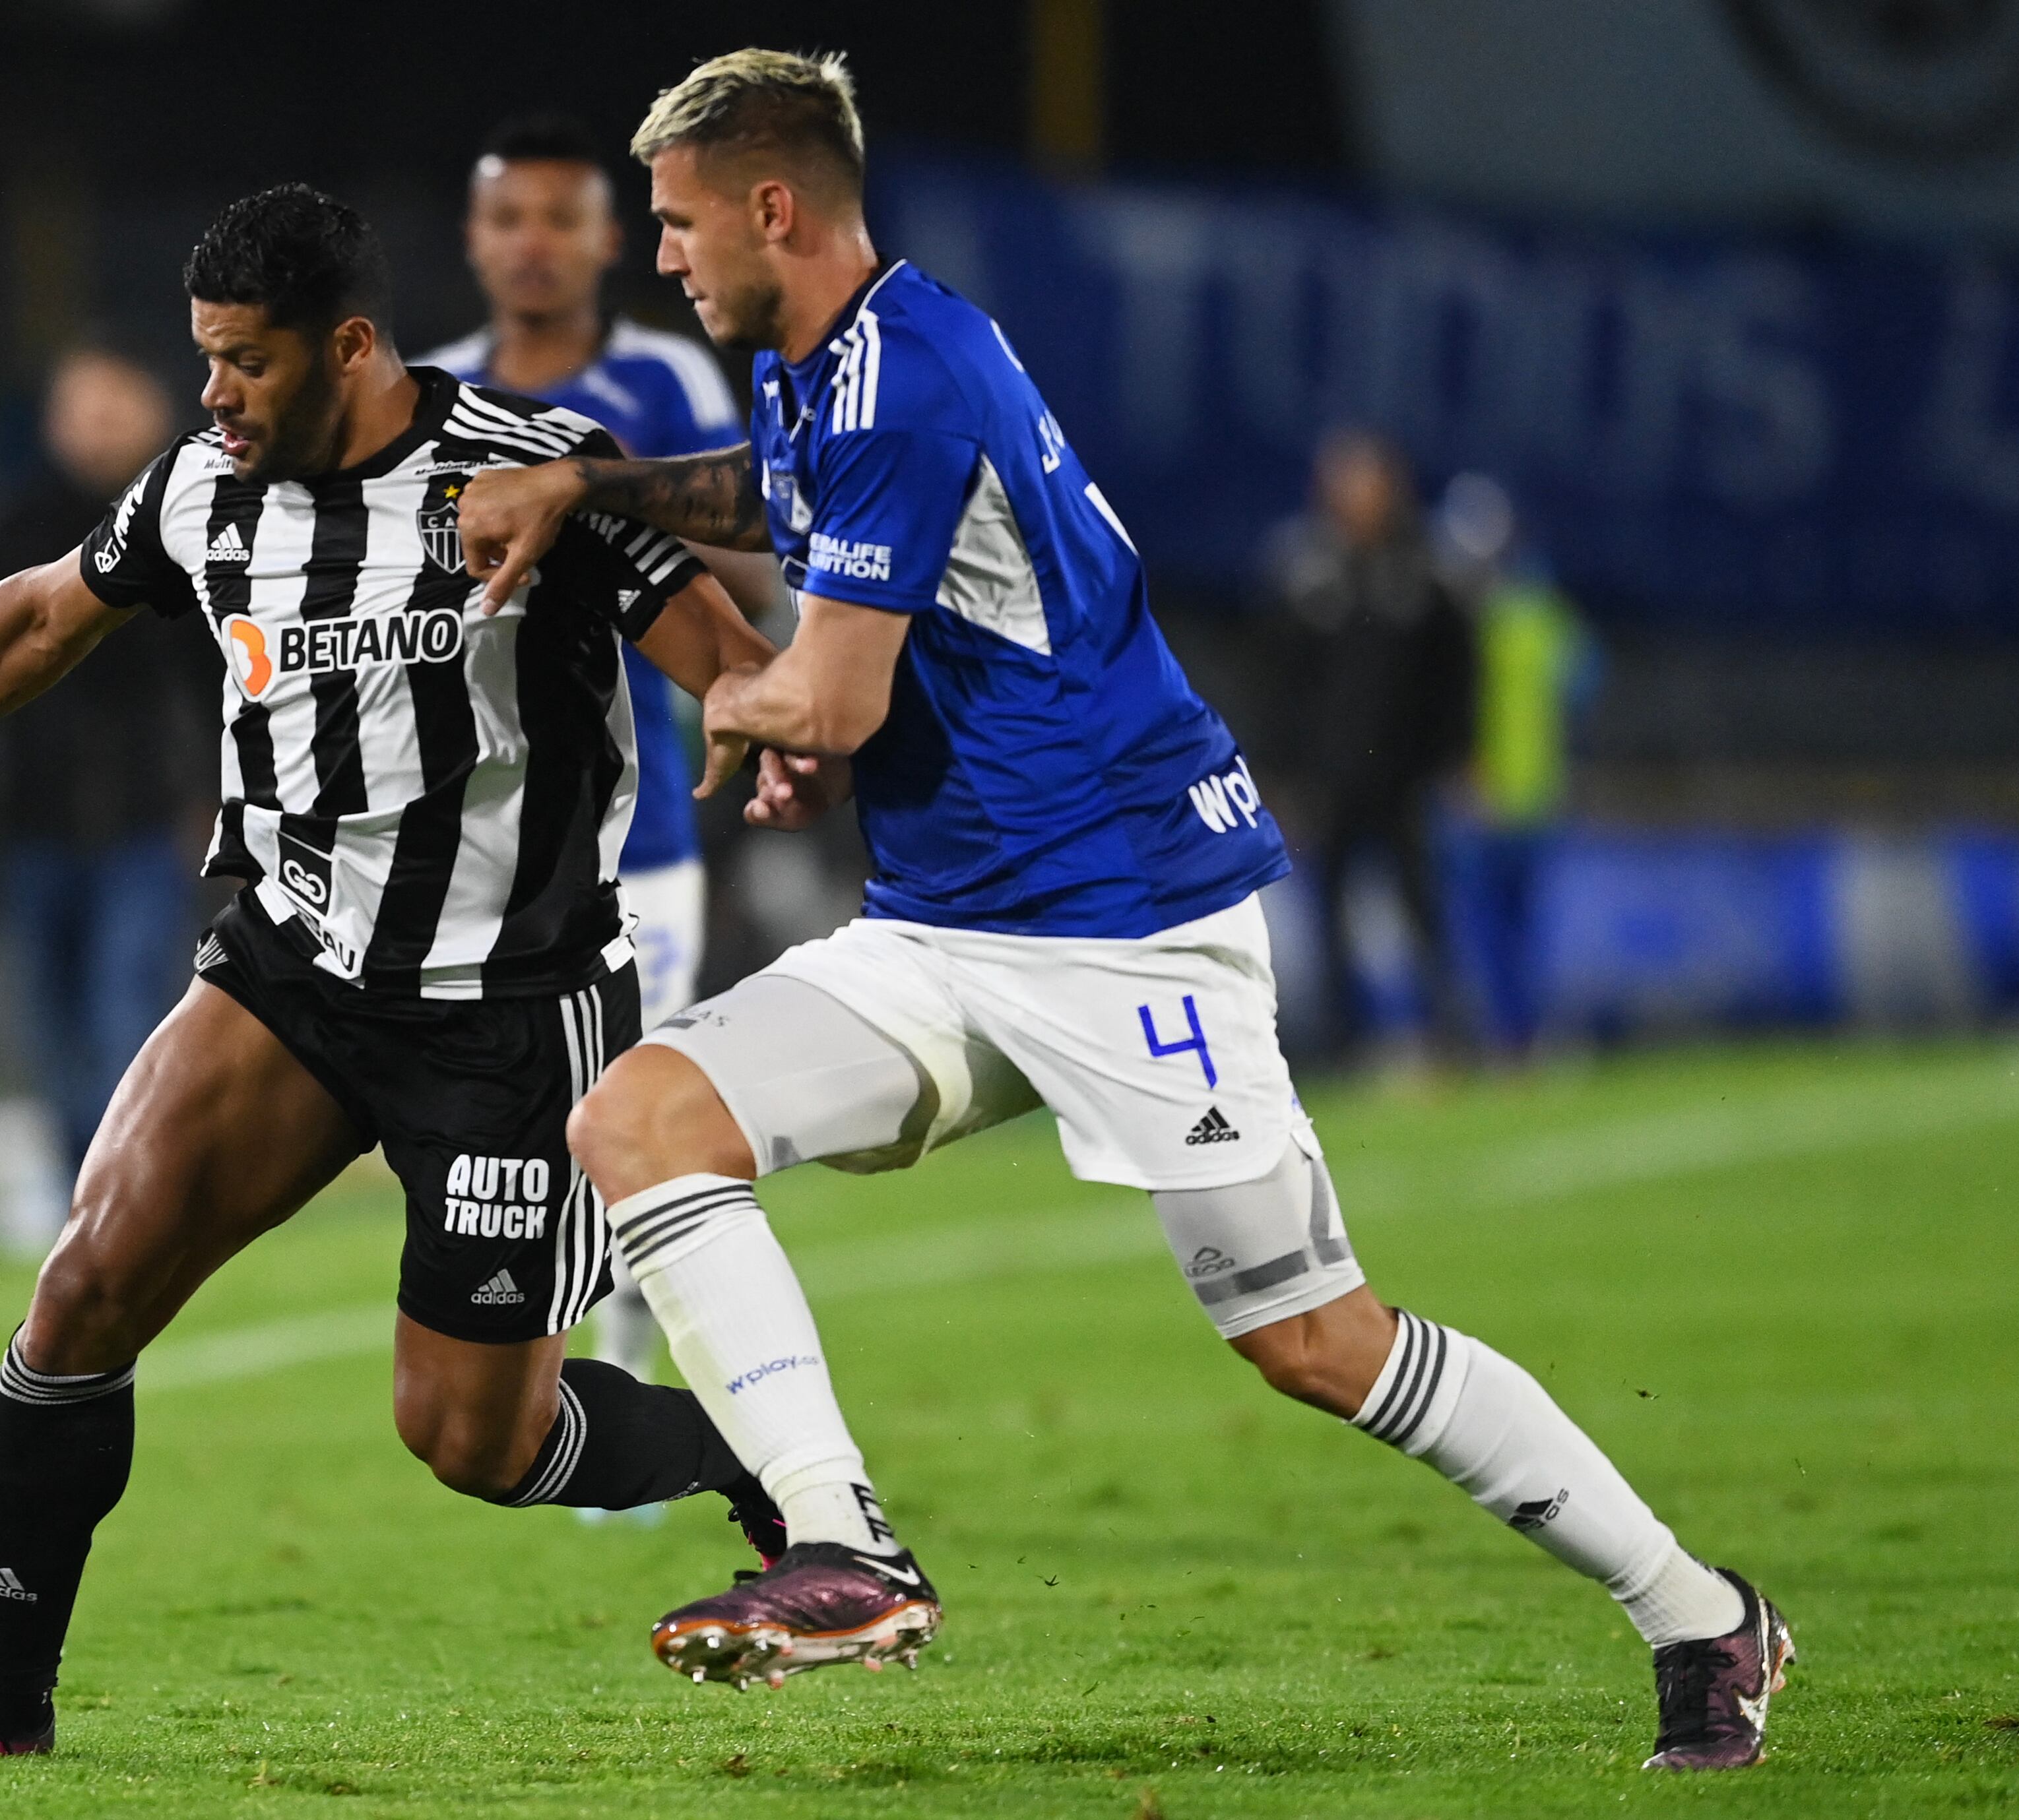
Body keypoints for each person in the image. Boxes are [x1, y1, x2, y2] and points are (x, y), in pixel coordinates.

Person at [458, 50, 1791, 1771]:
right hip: (949, 927)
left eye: (680, 217)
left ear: (771, 206)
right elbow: (776, 504)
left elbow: (836, 701)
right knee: (642, 1112)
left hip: (1125, 919)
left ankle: (1700, 1610)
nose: (663, 254)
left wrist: (746, 705)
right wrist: (597, 486)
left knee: (1316, 1336)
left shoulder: (902, 377)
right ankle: (843, 1543)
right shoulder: (838, 359)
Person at [0, 185, 781, 1763]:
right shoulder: (204, 485)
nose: (215, 395)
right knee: (83, 1287)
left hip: (507, 1011)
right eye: (203, 360)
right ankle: (1, 1705)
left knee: (474, 1436)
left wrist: (765, 727)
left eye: (246, 363)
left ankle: (757, 1456)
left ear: (347, 346)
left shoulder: (527, 475)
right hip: (296, 966)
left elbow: (724, 655)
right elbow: (44, 617)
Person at [418, 113, 785, 1448]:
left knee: (621, 1104)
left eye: (556, 220)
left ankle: (631, 1390)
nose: (530, 244)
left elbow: (758, 566)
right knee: (508, 1115)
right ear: (474, 237)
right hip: (473, 828)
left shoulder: (667, 380)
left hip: (637, 830)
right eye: (506, 218)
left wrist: (594, 500)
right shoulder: (430, 391)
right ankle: (532, 1382)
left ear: (603, 238)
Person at [0, 344, 222, 1184]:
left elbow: (221, 675)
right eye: (79, 407)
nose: (94, 426)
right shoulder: (13, 526)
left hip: (142, 814)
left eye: (111, 404)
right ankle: (78, 1192)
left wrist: (221, 794)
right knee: (53, 1029)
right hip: (32, 817)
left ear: (153, 410)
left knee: (127, 1010)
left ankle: (118, 1191)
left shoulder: (190, 523)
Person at [1264, 429, 1478, 1065]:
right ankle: (1341, 1048)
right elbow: (1275, 679)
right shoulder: (1305, 571)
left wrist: (1459, 755)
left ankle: (1449, 1035)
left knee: (1423, 910)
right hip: (1329, 782)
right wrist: (1275, 768)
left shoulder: (1424, 572)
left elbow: (1456, 674)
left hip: (1403, 777)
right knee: (1329, 917)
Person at [1436, 472, 1595, 1059]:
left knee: (1499, 932)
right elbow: (1583, 683)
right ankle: (1513, 1038)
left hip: (1498, 797)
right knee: (1510, 931)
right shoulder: (1538, 612)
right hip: (1516, 795)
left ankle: (1511, 1038)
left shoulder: (1470, 617)